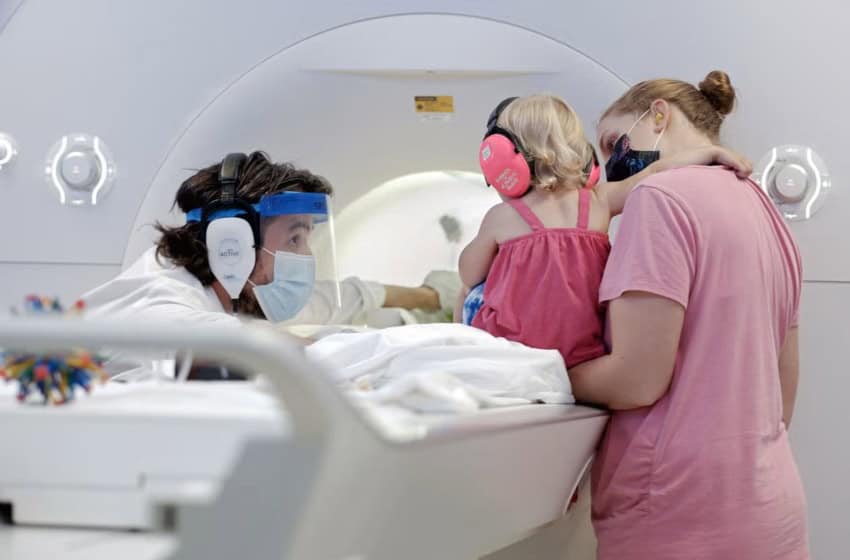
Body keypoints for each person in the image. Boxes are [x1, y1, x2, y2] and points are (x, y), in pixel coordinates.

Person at [569, 71, 808, 560]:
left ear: (658, 115)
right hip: (769, 510)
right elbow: (782, 395)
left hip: (680, 512)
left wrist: (550, 374)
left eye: (614, 143)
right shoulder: (766, 211)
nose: (612, 164)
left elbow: (636, 380)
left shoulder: (658, 201)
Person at [456, 94, 751, 368]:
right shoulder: (599, 201)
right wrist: (709, 153)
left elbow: (469, 275)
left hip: (512, 350)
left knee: (469, 292)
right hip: (583, 352)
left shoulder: (502, 217)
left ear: (501, 157)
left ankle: (462, 359)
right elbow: (655, 173)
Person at [83, 152, 458, 332]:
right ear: (233, 241)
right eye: (295, 238)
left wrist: (433, 296)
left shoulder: (243, 292)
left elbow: (343, 298)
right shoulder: (159, 299)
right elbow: (237, 345)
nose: (306, 255)